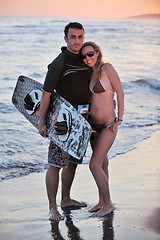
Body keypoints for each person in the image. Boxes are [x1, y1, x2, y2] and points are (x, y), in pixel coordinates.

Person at [39, 22, 92, 221]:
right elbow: (46, 95)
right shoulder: (59, 63)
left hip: (81, 120)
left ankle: (66, 198)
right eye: (73, 37)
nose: (77, 41)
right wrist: (42, 123)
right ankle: (53, 208)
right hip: (61, 122)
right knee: (55, 164)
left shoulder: (85, 58)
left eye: (80, 37)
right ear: (66, 38)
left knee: (72, 162)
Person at [80, 41, 124, 217]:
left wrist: (118, 119)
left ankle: (108, 204)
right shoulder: (91, 73)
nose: (87, 58)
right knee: (103, 163)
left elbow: (120, 92)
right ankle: (101, 201)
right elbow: (94, 100)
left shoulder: (107, 68)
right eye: (83, 56)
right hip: (93, 126)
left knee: (94, 164)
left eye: (90, 54)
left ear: (97, 53)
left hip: (107, 126)